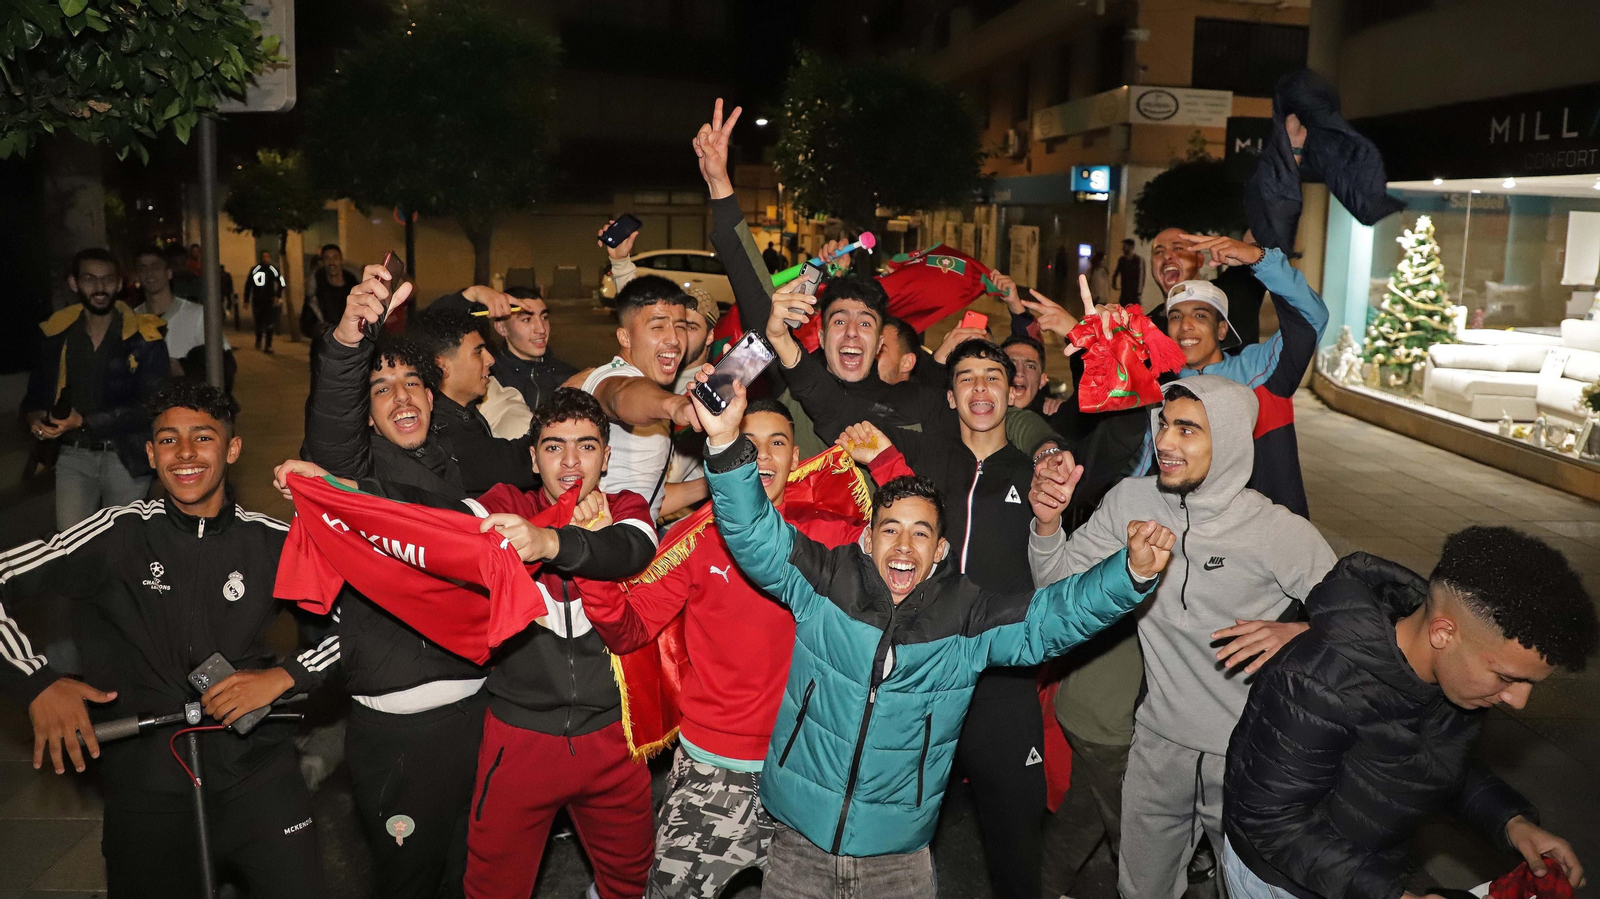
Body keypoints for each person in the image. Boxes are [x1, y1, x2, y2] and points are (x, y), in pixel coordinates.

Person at [692, 373, 1173, 899]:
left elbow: (1048, 620)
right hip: (799, 841)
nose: (904, 545)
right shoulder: (824, 582)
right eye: (891, 528)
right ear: (866, 537)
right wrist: (721, 442)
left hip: (897, 858)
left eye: (921, 533)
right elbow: (755, 533)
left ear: (940, 551)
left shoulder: (965, 618)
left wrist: (1129, 576)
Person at [0, 382, 326, 898]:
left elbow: (358, 623)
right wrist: (37, 681)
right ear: (151, 454)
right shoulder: (116, 533)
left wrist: (286, 676)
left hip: (258, 780)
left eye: (203, 437)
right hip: (146, 788)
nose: (187, 453)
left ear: (232, 449)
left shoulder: (272, 541)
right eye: (169, 440)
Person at [1029, 376, 1336, 899]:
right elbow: (1056, 588)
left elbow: (1365, 623)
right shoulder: (1131, 499)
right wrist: (1047, 524)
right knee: (1141, 890)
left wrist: (1303, 630)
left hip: (1249, 756)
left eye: (1188, 430)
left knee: (1252, 891)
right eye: (1165, 425)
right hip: (1155, 745)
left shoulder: (1278, 532)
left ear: (1231, 441)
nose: (1166, 442)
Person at [581, 398, 865, 898]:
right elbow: (627, 629)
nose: (762, 457)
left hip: (807, 773)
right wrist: (590, 558)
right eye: (747, 444)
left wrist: (884, 461)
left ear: (796, 457)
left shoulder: (833, 537)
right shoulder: (696, 540)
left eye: (777, 443)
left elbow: (913, 550)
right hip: (714, 771)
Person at [1223, 529, 1597, 899]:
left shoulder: (1456, 678)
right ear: (1443, 634)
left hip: (1365, 869)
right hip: (1287, 882)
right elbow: (1273, 823)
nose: (1518, 701)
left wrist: (1511, 821)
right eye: (1507, 677)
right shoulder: (1314, 682)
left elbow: (1429, 765)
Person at [837, 339, 1057, 899]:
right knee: (890, 839)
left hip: (1002, 680)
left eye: (992, 378)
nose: (980, 389)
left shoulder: (1037, 475)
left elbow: (1110, 446)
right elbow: (835, 404)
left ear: (1014, 392)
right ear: (951, 396)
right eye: (966, 378)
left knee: (1015, 846)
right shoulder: (927, 461)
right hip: (923, 672)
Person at [301, 266, 493, 899]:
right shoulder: (356, 482)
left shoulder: (450, 468)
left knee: (470, 876)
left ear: (434, 398)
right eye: (381, 389)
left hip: (477, 720)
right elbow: (331, 432)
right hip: (397, 738)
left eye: (413, 383)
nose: (402, 397)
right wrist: (348, 348)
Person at [455, 388, 661, 899]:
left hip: (615, 741)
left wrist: (551, 542)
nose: (570, 461)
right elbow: (434, 517)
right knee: (493, 889)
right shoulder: (507, 503)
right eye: (553, 447)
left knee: (633, 886)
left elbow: (630, 549)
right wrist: (346, 486)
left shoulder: (627, 505)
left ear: (608, 455)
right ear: (532, 456)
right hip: (520, 739)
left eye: (587, 446)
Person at [1146, 233, 1327, 517]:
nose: (1186, 326)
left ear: (1221, 330)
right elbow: (1139, 465)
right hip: (1183, 540)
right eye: (1176, 317)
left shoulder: (1258, 369)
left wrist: (1260, 259)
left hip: (1264, 539)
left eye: (1201, 316)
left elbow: (1312, 319)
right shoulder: (1161, 391)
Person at [24, 248, 170, 531]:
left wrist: (85, 420)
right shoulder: (56, 335)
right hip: (72, 456)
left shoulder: (144, 338)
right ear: (74, 283)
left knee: (122, 549)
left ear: (118, 284)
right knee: (72, 548)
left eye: (107, 279)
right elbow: (34, 397)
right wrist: (34, 419)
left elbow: (153, 406)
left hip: (125, 456)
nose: (100, 287)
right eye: (90, 279)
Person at [565, 274, 700, 521]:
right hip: (600, 543)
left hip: (629, 539)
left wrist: (717, 482)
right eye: (658, 326)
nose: (674, 339)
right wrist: (677, 406)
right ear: (624, 337)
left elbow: (649, 498)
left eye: (680, 326)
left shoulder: (647, 378)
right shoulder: (611, 379)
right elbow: (621, 396)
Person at [408, 305, 540, 494]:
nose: (490, 360)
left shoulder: (461, 411)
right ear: (442, 366)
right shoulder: (440, 432)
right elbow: (520, 462)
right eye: (478, 352)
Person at [133, 245, 234, 382]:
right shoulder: (130, 320)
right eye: (143, 268)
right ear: (137, 276)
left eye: (156, 267)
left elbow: (226, 365)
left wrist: (183, 368)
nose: (149, 273)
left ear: (169, 273)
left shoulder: (198, 316)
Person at [490, 285, 577, 412]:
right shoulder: (488, 378)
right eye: (527, 320)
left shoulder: (569, 377)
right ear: (502, 328)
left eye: (544, 318)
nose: (541, 329)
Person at [303, 243, 358, 341]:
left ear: (341, 260)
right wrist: (320, 330)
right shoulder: (315, 291)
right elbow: (305, 324)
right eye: (327, 259)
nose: (331, 262)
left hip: (352, 348)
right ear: (323, 262)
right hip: (324, 349)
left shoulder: (355, 289)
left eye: (335, 258)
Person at [247, 251, 286, 353]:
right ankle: (259, 340)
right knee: (258, 322)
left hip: (269, 300)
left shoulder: (273, 270)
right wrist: (246, 299)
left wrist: (277, 295)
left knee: (269, 323)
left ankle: (268, 345)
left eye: (268, 256)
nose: (266, 259)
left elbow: (281, 282)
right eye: (264, 256)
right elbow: (248, 285)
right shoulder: (255, 269)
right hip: (257, 300)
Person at [1111, 239, 1144, 308]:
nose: (1123, 248)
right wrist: (1114, 282)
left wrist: (1139, 292)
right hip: (1124, 292)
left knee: (1134, 313)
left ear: (1131, 247)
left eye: (1125, 246)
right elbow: (1117, 272)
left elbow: (1141, 276)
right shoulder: (1122, 260)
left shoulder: (1138, 260)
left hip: (1134, 293)